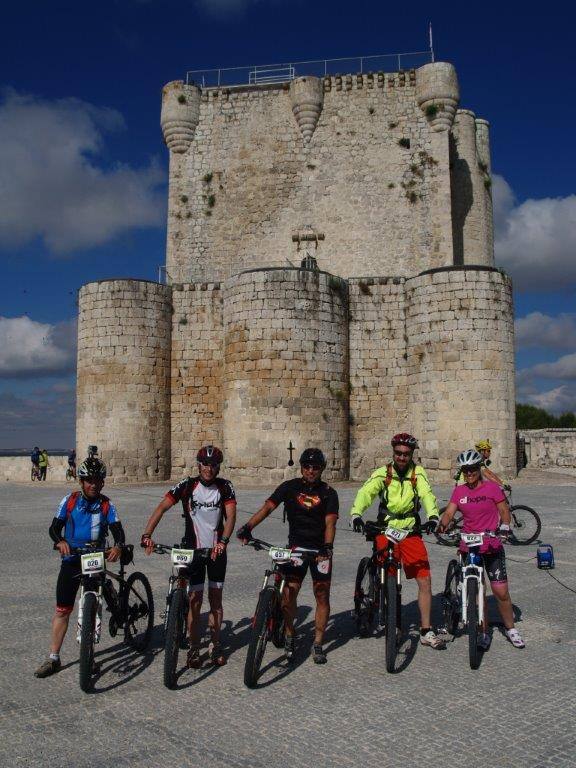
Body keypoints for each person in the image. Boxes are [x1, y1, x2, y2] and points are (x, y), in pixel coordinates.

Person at [237, 448, 338, 665]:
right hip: (296, 548)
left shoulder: (329, 492)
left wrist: (327, 547)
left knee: (321, 594)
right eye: (307, 466)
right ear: (301, 467)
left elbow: (330, 523)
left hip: (320, 550)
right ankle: (290, 634)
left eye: (315, 467)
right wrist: (248, 527)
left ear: (321, 469)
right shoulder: (290, 487)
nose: (311, 471)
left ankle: (318, 643)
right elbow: (268, 508)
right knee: (289, 595)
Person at [141, 445, 236, 668]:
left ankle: (215, 645)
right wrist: (147, 534)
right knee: (194, 600)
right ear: (199, 464)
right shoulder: (187, 485)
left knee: (215, 600)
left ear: (218, 467)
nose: (209, 469)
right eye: (205, 464)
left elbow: (230, 517)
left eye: (213, 465)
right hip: (192, 551)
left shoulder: (225, 487)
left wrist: (223, 542)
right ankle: (194, 648)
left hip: (216, 551)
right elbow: (162, 507)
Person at [349, 433, 445, 649]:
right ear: (393, 452)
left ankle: (426, 630)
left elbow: (427, 495)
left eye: (406, 454)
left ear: (412, 454)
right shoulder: (383, 473)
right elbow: (367, 491)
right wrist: (356, 513)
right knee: (388, 578)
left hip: (410, 530)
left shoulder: (417, 473)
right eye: (398, 453)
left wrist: (433, 516)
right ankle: (392, 618)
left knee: (424, 580)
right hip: (386, 529)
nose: (402, 457)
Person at [34, 456, 124, 678]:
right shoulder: (70, 501)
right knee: (62, 610)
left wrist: (118, 546)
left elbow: (117, 530)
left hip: (95, 557)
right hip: (72, 559)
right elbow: (54, 528)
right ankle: (53, 658)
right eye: (89, 480)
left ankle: (89, 653)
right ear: (82, 481)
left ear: (102, 482)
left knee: (93, 606)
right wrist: (60, 541)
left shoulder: (106, 505)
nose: (93, 484)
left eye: (97, 480)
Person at [438, 449, 525, 650]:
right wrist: (442, 525)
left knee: (500, 591)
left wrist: (504, 527)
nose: (469, 473)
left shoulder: (492, 489)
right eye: (465, 470)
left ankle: (511, 628)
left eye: (472, 469)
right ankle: (483, 631)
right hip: (469, 547)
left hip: (491, 544)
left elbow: (504, 511)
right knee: (478, 592)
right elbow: (450, 513)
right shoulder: (459, 492)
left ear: (479, 469)